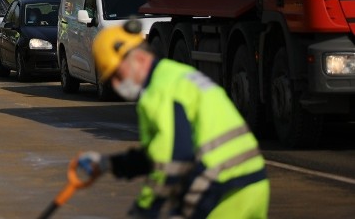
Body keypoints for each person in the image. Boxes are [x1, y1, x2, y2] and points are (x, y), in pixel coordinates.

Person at [76, 25, 269, 218]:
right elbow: (158, 154)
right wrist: (108, 164)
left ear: (140, 59)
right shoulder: (174, 76)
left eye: (118, 75)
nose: (117, 85)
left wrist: (145, 209)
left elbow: (174, 159)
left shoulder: (159, 91)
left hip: (221, 188)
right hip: (251, 184)